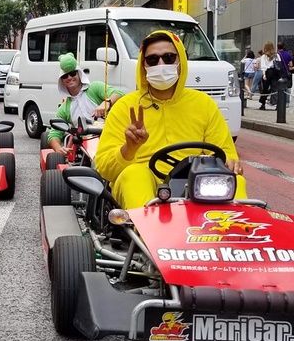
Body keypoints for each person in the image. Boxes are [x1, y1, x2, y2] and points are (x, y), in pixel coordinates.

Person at [95, 30, 246, 209]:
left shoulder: (204, 104)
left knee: (235, 180)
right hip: (144, 178)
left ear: (180, 62)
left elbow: (226, 152)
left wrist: (230, 161)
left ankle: (234, 231)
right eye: (152, 60)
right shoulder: (124, 107)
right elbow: (104, 168)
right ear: (144, 65)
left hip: (196, 180)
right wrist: (129, 148)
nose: (161, 64)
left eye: (168, 58)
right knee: (134, 174)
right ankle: (145, 234)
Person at [46, 53, 124, 155]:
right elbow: (53, 134)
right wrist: (58, 148)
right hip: (83, 148)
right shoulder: (64, 109)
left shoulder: (95, 88)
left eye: (73, 73)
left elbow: (119, 94)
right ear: (62, 81)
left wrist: (106, 102)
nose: (69, 78)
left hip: (109, 138)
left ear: (79, 74)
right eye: (65, 76)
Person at [257, 42, 281, 110]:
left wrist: (264, 75)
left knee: (265, 89)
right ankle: (276, 104)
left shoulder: (264, 56)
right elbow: (279, 64)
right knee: (275, 89)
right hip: (275, 73)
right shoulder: (276, 55)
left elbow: (263, 67)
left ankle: (263, 103)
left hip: (268, 73)